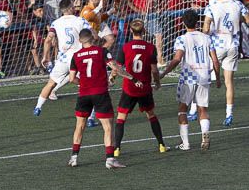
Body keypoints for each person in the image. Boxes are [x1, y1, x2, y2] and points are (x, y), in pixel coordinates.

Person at [158, 9, 221, 151]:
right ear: (198, 21)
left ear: (183, 22)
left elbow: (177, 59)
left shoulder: (182, 39)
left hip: (188, 77)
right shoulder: (207, 38)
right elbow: (215, 61)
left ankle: (185, 144)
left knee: (182, 109)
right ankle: (204, 134)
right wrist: (217, 79)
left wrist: (164, 73)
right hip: (204, 76)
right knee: (202, 109)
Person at [68, 28, 125, 169]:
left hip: (84, 94)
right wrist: (120, 78)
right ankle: (110, 160)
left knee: (79, 126)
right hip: (100, 93)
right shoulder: (102, 51)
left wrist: (83, 83)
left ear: (80, 40)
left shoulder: (75, 56)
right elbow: (115, 68)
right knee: (107, 127)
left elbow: (71, 79)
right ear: (92, 38)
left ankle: (74, 157)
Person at [111, 19, 167, 155]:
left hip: (129, 88)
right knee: (151, 115)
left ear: (131, 31)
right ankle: (161, 145)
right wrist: (158, 82)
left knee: (121, 117)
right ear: (144, 31)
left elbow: (117, 67)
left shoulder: (125, 47)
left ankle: (117, 148)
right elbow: (154, 70)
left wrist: (112, 77)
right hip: (144, 88)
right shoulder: (150, 47)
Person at [33, 0, 90, 115]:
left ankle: (38, 107)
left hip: (63, 59)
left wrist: (45, 56)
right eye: (73, 5)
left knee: (51, 83)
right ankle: (90, 117)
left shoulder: (56, 22)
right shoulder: (80, 20)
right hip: (79, 57)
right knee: (89, 84)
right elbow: (92, 35)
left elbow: (48, 39)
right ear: (70, 8)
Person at [202, 0, 244, 126]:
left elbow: (206, 28)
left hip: (217, 46)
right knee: (229, 82)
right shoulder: (237, 4)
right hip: (232, 44)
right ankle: (229, 114)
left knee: (202, 77)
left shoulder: (211, 6)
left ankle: (195, 110)